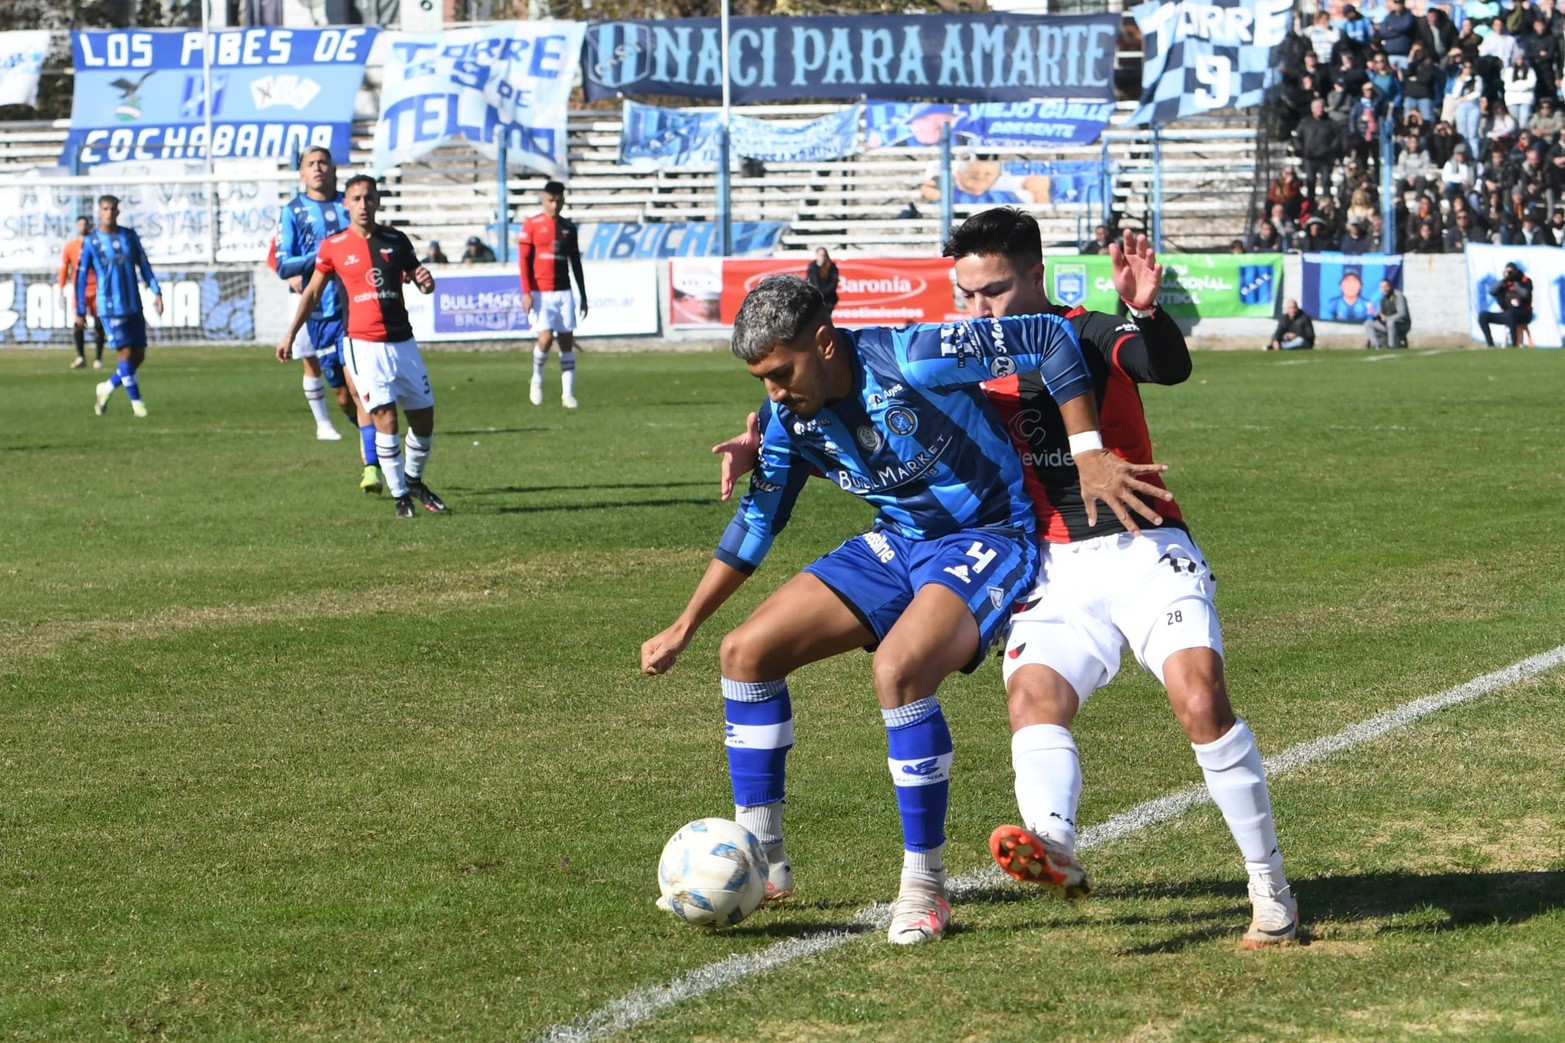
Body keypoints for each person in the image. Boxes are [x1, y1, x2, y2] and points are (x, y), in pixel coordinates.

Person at [712, 213, 1299, 948]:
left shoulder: (1082, 330)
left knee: (1198, 698)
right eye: (967, 294)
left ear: (1035, 276)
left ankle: (1268, 884)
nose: (980, 309)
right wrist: (766, 434)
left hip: (1143, 545)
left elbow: (1162, 366)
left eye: (994, 290)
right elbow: (841, 373)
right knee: (1032, 699)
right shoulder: (966, 354)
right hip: (1049, 566)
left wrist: (1144, 310)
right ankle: (1051, 844)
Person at [642, 274, 1168, 946]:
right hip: (897, 542)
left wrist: (1087, 450)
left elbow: (1048, 337)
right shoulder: (786, 418)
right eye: (761, 379)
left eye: (781, 372)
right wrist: (685, 624)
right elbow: (757, 520)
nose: (773, 392)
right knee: (744, 654)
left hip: (988, 536)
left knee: (899, 669)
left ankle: (924, 885)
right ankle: (765, 858)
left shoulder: (914, 353)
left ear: (824, 343)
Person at [278, 175, 447, 520]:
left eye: (369, 198)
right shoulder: (334, 245)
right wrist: (291, 333)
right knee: (384, 415)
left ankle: (413, 480)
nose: (363, 204)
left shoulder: (396, 240)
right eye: (356, 198)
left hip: (403, 342)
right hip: (363, 345)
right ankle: (401, 497)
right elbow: (311, 293)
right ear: (346, 204)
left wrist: (426, 283)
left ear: (378, 201)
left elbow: (418, 277)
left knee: (424, 419)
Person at [273, 146, 384, 493]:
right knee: (340, 394)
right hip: (320, 315)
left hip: (356, 311)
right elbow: (282, 265)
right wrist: (322, 254)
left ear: (334, 169)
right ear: (302, 173)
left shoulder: (350, 203)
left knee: (357, 387)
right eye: (311, 164)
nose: (318, 168)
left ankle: (373, 465)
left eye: (323, 162)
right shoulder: (292, 211)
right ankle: (373, 440)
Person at [80, 195, 162, 419]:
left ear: (118, 211)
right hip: (109, 307)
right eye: (105, 209)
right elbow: (81, 276)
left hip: (133, 303)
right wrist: (80, 308)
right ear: (99, 212)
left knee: (139, 355)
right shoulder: (92, 242)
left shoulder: (129, 236)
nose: (109, 212)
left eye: (113, 209)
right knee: (124, 353)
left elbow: (143, 264)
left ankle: (107, 387)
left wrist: (156, 290)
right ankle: (138, 405)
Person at [518, 180, 588, 409]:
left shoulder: (569, 228)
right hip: (541, 292)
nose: (554, 205)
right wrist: (526, 291)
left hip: (564, 291)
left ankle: (567, 394)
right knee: (546, 339)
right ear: (543, 199)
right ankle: (536, 378)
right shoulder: (532, 225)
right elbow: (524, 261)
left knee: (566, 341)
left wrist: (583, 295)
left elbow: (576, 263)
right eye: (550, 200)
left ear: (564, 200)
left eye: (558, 200)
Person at [58, 215, 105, 370]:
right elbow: (65, 267)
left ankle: (98, 358)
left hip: (97, 288)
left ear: (89, 226)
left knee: (99, 323)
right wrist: (61, 287)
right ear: (76, 226)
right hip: (80, 290)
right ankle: (81, 357)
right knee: (78, 322)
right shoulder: (70, 246)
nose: (82, 227)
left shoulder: (97, 244)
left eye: (85, 224)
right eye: (79, 224)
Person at [1478, 261, 1533, 346]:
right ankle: (1490, 344)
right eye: (1507, 272)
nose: (1509, 274)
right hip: (1507, 314)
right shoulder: (1504, 283)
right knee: (1483, 316)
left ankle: (1514, 344)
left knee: (1512, 314)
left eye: (1511, 272)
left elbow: (1525, 294)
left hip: (1523, 314)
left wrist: (1515, 280)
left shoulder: (1525, 281)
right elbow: (1492, 292)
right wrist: (1505, 280)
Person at [1365, 278, 1412, 347]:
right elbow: (1379, 312)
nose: (1384, 289)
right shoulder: (1383, 299)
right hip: (1387, 324)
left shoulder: (1398, 296)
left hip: (1401, 324)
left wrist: (1387, 318)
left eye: (1386, 286)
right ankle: (1375, 345)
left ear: (1390, 286)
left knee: (1390, 322)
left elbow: (1402, 313)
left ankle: (1391, 346)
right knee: (1368, 323)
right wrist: (1377, 315)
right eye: (1382, 287)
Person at [803, 247, 839, 313]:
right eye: (820, 255)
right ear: (816, 256)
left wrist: (823, 293)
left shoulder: (831, 267)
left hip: (828, 299)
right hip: (816, 298)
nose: (822, 257)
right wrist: (818, 294)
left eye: (823, 255)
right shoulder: (812, 267)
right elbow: (811, 281)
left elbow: (833, 283)